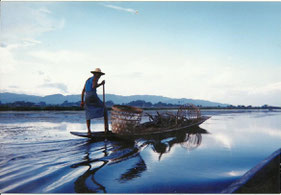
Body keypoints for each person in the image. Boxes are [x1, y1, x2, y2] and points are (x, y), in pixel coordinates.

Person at [81, 68, 107, 136]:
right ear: (95, 74)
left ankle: (89, 131)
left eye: (100, 75)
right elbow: (94, 86)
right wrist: (101, 84)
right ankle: (106, 129)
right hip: (92, 95)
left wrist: (82, 101)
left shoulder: (88, 79)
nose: (99, 76)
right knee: (104, 108)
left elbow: (83, 90)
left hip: (87, 97)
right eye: (99, 74)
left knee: (88, 113)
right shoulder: (95, 78)